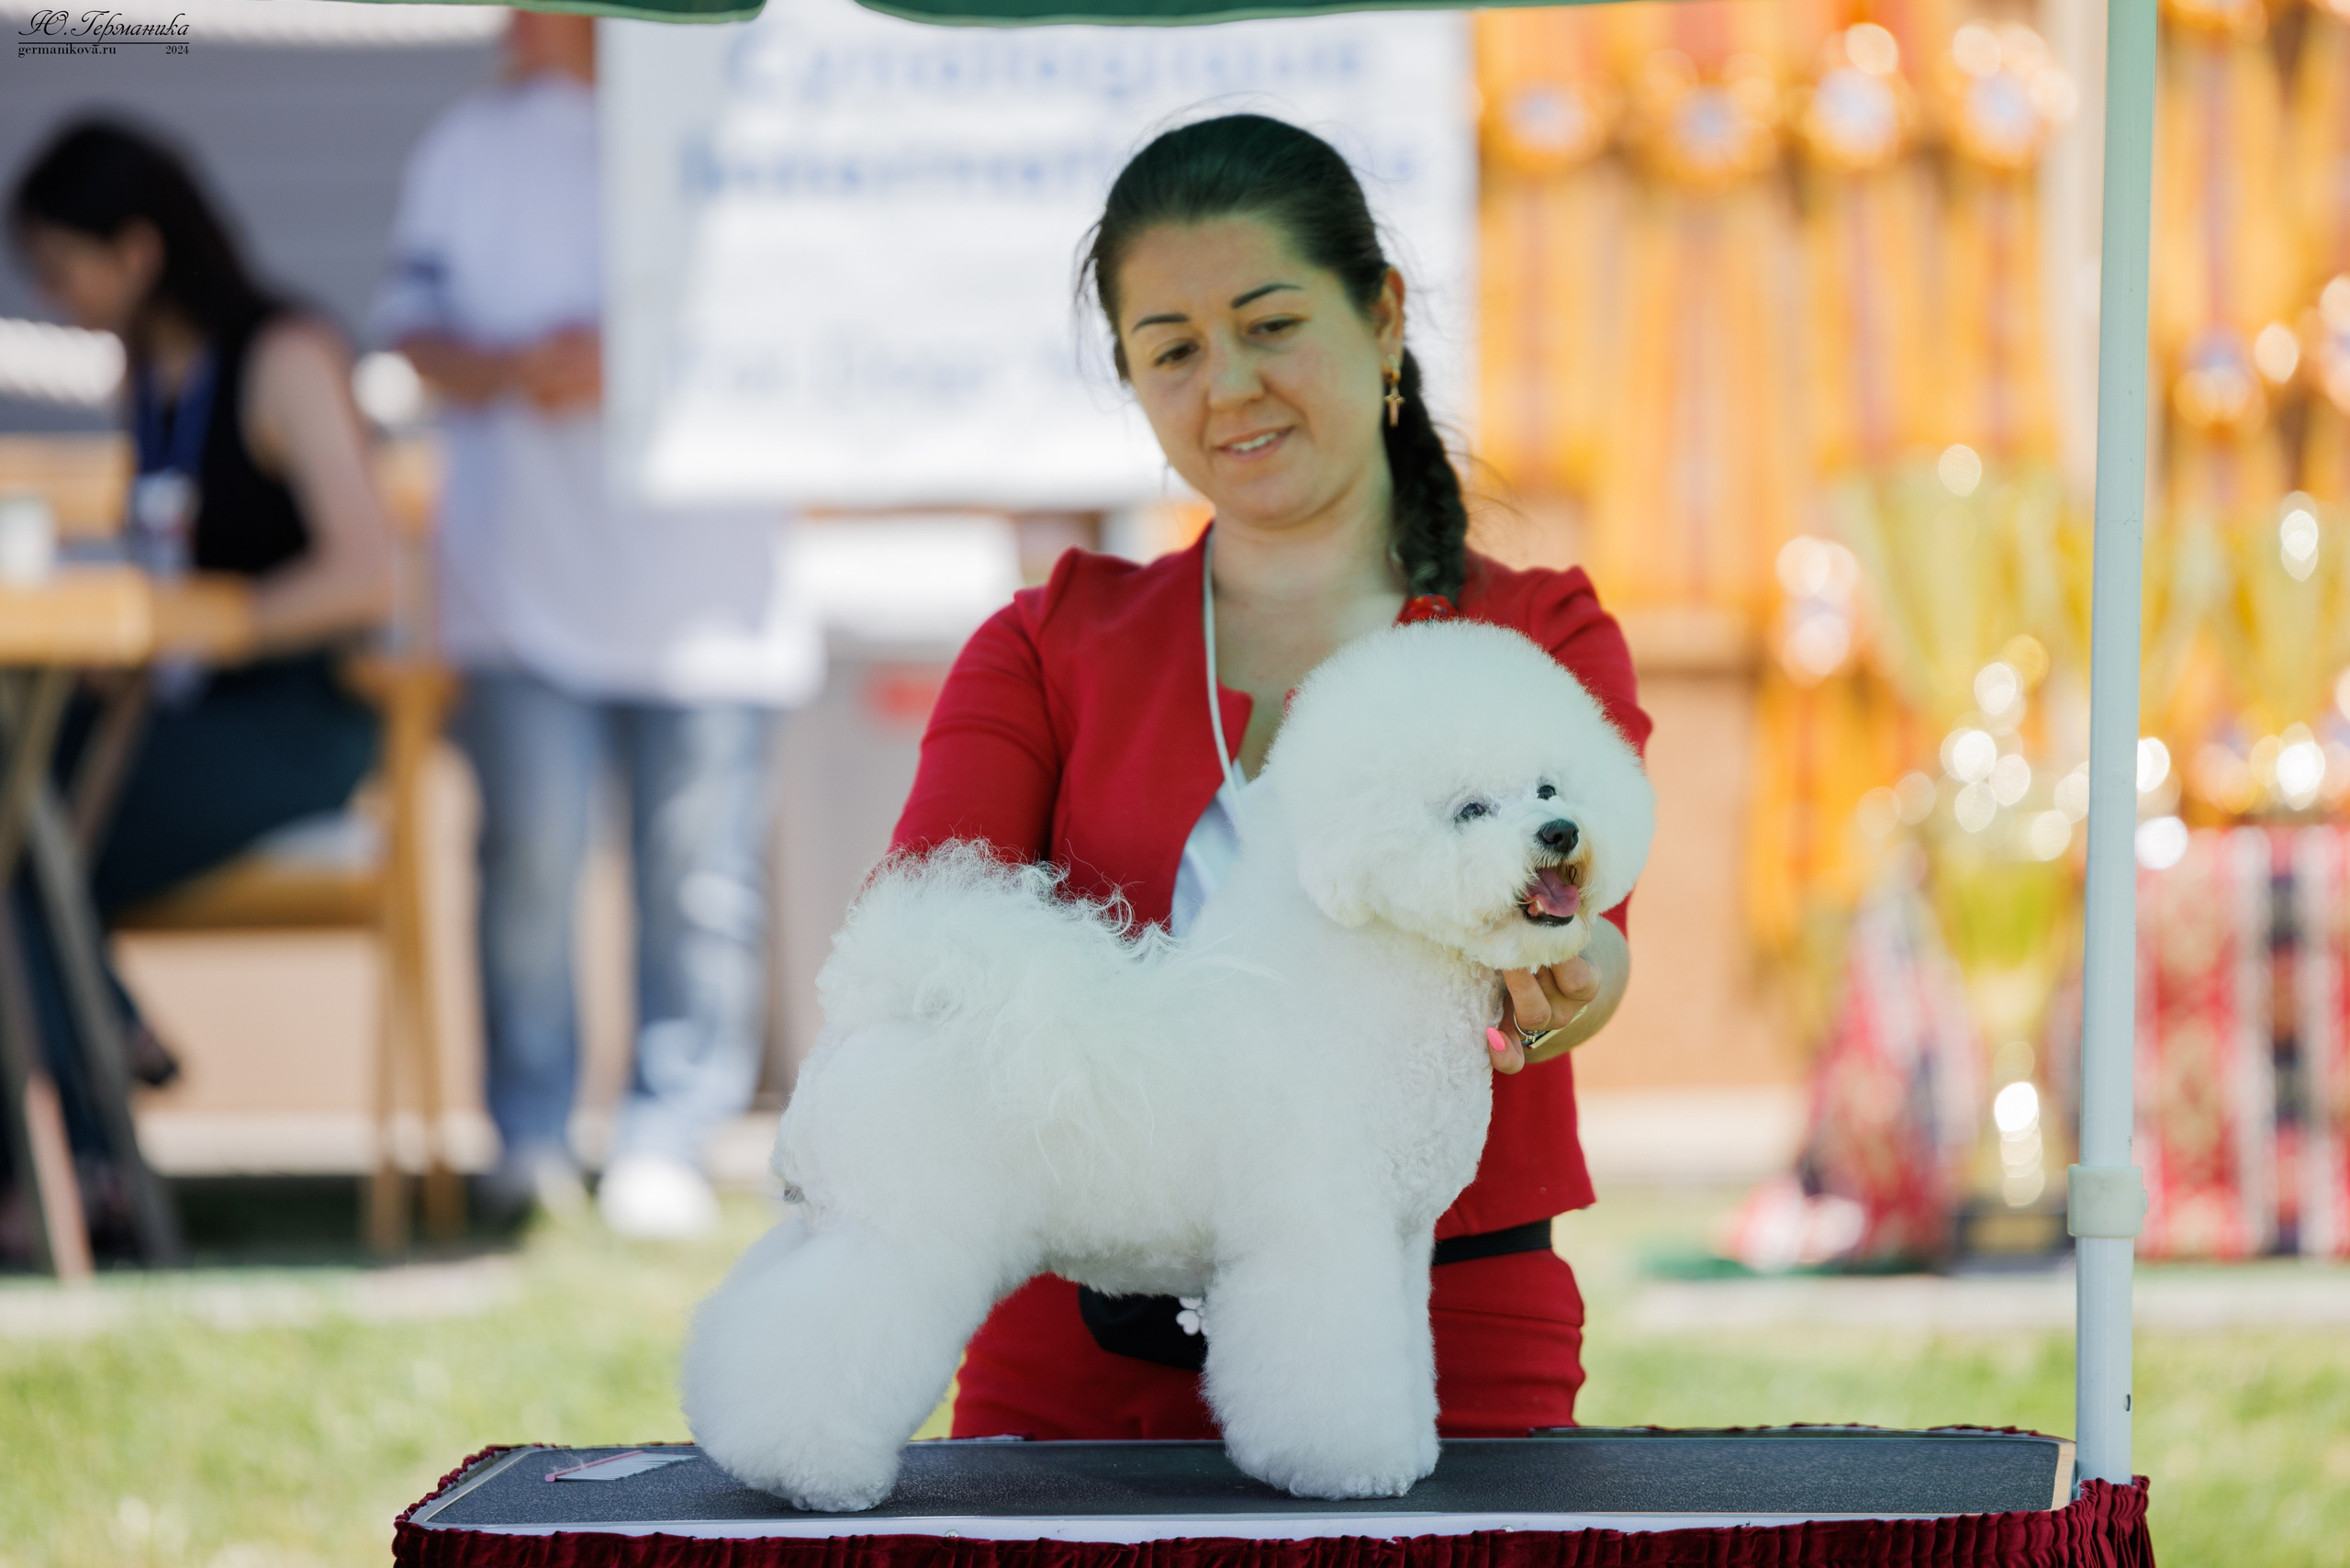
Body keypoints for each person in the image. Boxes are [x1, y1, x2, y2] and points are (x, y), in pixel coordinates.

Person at [891, 115, 1651, 1438]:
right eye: (1172, 351)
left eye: (1270, 324)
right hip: (1075, 1359)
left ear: (1384, 316)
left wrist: (1559, 994)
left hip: (1435, 1335)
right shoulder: (1046, 641)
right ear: (1131, 382)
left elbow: (1591, 924)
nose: (1228, 385)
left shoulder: (1540, 634)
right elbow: (927, 930)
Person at [374, 13, 820, 1239]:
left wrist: (648, 358)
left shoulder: (742, 126)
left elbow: (816, 317)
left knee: (700, 875)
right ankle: (526, 1130)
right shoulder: (471, 143)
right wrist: (517, 371)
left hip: (712, 585)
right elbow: (410, 332)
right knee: (528, 863)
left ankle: (668, 1133)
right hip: (520, 580)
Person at [6, 122, 394, 1243]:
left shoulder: (283, 355)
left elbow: (363, 572)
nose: (54, 291)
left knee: (20, 846)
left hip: (298, 728)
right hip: (180, 718)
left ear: (136, 249)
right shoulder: (151, 371)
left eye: (62, 262)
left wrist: (205, 630)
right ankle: (100, 1067)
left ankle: (77, 1163)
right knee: (16, 816)